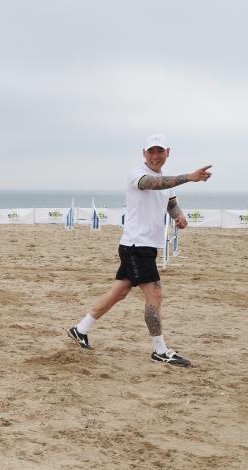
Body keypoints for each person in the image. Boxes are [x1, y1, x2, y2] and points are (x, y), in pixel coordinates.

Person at [67, 133, 212, 367]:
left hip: (145, 246)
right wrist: (189, 177)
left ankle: (80, 329)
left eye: (160, 151)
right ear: (144, 154)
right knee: (155, 295)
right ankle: (160, 351)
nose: (155, 156)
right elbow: (151, 184)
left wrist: (179, 216)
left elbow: (170, 202)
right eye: (151, 151)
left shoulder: (167, 178)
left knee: (119, 292)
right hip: (137, 246)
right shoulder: (137, 174)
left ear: (168, 153)